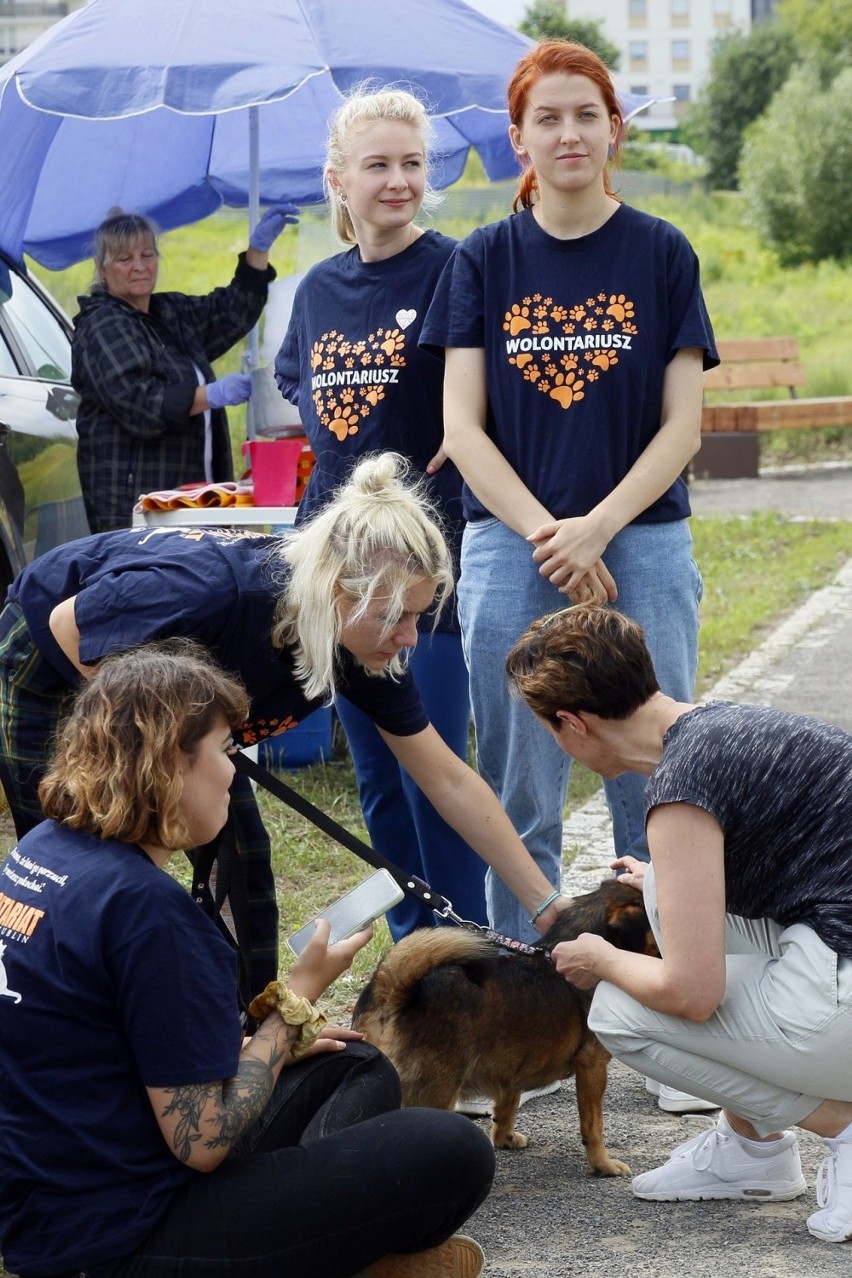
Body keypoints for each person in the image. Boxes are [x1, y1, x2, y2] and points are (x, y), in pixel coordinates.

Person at [0, 642, 494, 1278]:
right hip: (120, 1238)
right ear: (170, 761)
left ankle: (310, 1241)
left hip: (48, 1201)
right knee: (450, 1150)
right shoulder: (150, 913)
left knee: (358, 1064)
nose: (234, 774)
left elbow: (101, 1035)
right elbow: (200, 1141)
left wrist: (266, 1045)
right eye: (225, 750)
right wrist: (292, 1005)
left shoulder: (46, 848)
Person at [0, 452, 569, 1003]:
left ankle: (252, 1029)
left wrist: (547, 907)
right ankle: (75, 1015)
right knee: (87, 861)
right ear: (339, 593)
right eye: (398, 617)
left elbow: (446, 778)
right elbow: (67, 630)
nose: (411, 639)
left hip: (176, 709)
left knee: (242, 859)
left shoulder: (355, 642)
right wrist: (156, 776)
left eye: (419, 616)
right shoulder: (217, 592)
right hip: (50, 666)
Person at [420, 40, 718, 944]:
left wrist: (600, 527)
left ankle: (671, 996)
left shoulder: (663, 253)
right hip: (515, 544)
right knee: (520, 784)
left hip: (642, 540)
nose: (569, 132)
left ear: (615, 131)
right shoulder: (482, 260)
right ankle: (528, 993)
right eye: (546, 117)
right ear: (520, 140)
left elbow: (684, 427)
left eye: (586, 114)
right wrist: (554, 533)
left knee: (658, 771)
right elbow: (462, 430)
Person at [505, 603, 852, 1245]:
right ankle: (752, 1152)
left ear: (574, 725)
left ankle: (842, 1127)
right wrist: (665, 880)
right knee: (669, 896)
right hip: (835, 952)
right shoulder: (722, 725)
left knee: (616, 1010)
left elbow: (693, 995)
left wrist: (600, 959)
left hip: (842, 991)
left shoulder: (681, 787)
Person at [274, 88, 486, 939]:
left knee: (435, 770)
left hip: (427, 559)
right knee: (376, 780)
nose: (397, 182)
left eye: (411, 165)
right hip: (339, 564)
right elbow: (306, 393)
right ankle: (412, 954)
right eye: (378, 166)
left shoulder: (454, 269)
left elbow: (483, 398)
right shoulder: (319, 289)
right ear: (339, 179)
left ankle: (470, 953)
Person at [71, 203, 296, 532]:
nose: (139, 267)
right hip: (137, 503)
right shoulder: (102, 325)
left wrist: (257, 252)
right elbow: (142, 404)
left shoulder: (168, 311)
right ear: (103, 270)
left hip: (189, 495)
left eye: (147, 255)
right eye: (125, 259)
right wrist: (212, 394)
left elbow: (230, 312)